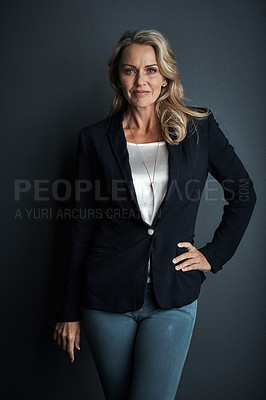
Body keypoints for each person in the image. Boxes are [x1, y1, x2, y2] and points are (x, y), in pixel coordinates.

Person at [53, 30, 256, 400]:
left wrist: (212, 256)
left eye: (150, 70)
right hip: (105, 298)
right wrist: (68, 310)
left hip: (173, 297)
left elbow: (244, 194)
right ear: (118, 77)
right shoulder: (94, 139)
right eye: (130, 71)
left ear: (165, 75)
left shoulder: (198, 128)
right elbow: (80, 227)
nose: (141, 80)